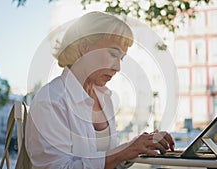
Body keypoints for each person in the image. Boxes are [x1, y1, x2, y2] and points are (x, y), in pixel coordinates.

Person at [25, 11, 175, 169]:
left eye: (121, 58)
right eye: (113, 54)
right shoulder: (51, 101)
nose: (117, 67)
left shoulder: (104, 97)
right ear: (84, 46)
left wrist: (140, 146)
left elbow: (109, 160)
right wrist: (125, 151)